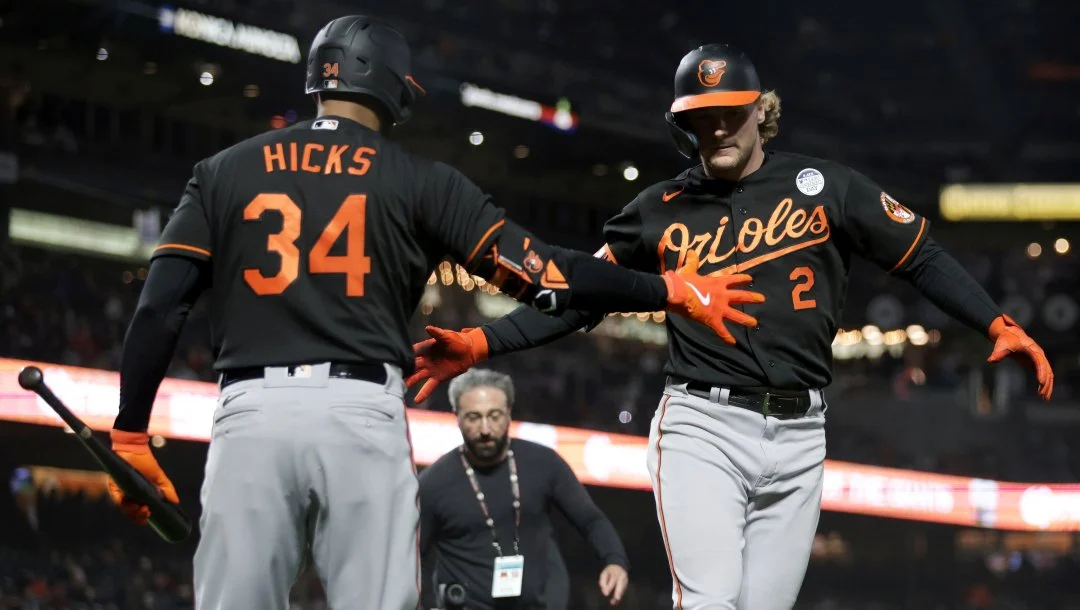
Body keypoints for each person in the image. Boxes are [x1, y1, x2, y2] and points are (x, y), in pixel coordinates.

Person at [102, 16, 763, 610]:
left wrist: (131, 433)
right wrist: (670, 290)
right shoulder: (417, 179)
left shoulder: (222, 171)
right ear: (393, 90)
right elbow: (548, 278)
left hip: (248, 415)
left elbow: (160, 307)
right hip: (359, 416)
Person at [406, 43, 1055, 610]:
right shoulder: (655, 210)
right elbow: (580, 296)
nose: (716, 127)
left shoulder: (826, 186)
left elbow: (922, 256)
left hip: (801, 432)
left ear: (760, 111)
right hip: (703, 425)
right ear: (681, 126)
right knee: (710, 602)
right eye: (699, 117)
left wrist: (993, 320)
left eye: (730, 111)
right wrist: (483, 340)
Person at [419, 369, 630, 610]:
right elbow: (414, 558)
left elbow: (590, 519)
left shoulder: (544, 463)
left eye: (495, 416)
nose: (485, 428)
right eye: (474, 417)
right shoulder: (434, 483)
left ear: (509, 413)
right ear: (456, 416)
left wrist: (614, 560)